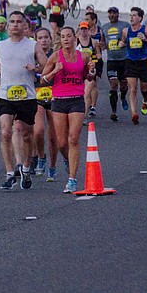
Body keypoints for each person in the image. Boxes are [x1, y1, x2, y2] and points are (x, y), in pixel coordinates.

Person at [0, 11, 48, 190]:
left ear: (25, 26)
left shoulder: (32, 45)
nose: (15, 25)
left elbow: (47, 65)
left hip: (26, 96)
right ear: (8, 26)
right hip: (5, 95)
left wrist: (36, 68)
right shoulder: (1, 45)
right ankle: (10, 173)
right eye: (12, 22)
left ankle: (26, 168)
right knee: (5, 133)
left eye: (19, 22)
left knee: (26, 134)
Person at [40, 26, 96, 193]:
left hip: (77, 101)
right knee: (62, 142)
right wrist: (55, 71)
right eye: (63, 36)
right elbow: (43, 80)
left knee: (73, 139)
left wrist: (92, 72)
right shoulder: (55, 57)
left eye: (69, 36)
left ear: (75, 38)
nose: (66, 39)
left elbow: (88, 77)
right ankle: (66, 158)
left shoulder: (83, 56)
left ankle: (72, 179)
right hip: (59, 101)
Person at [117, 7, 147, 124]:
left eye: (134, 15)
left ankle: (145, 101)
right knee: (133, 88)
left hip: (143, 62)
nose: (131, 17)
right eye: (130, 15)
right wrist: (121, 44)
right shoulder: (125, 31)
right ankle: (134, 113)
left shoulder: (146, 29)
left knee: (144, 88)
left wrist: (146, 40)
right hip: (130, 62)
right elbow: (124, 41)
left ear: (140, 18)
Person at [32, 27, 59, 181]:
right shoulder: (32, 56)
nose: (43, 40)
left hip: (54, 96)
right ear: (36, 40)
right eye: (40, 38)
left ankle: (53, 167)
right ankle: (41, 156)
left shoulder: (55, 56)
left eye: (46, 37)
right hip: (37, 96)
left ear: (50, 39)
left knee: (53, 137)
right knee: (38, 131)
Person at [101, 7, 127, 122]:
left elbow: (130, 39)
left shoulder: (125, 25)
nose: (112, 15)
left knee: (123, 85)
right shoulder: (104, 27)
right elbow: (103, 43)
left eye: (114, 13)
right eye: (110, 13)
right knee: (113, 85)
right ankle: (114, 112)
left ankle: (123, 96)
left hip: (124, 60)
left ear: (118, 14)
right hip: (111, 61)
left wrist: (123, 43)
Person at [76, 18, 102, 119]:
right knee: (80, 91)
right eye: (82, 29)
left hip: (90, 68)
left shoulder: (94, 42)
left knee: (89, 90)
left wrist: (96, 60)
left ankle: (87, 112)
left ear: (88, 30)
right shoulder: (75, 41)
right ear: (79, 30)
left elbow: (99, 54)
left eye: (85, 29)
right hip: (78, 69)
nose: (83, 31)